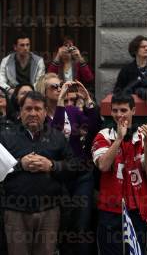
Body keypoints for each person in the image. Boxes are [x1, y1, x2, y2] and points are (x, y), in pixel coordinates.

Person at [0, 91, 80, 255]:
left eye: (37, 109)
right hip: (15, 212)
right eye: (28, 109)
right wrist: (19, 164)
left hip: (49, 211)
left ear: (45, 112)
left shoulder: (57, 137)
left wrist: (52, 165)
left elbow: (74, 167)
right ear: (20, 111)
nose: (33, 113)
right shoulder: (6, 137)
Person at [92, 93, 147, 255]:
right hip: (110, 211)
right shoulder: (104, 135)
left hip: (138, 210)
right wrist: (119, 139)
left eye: (124, 110)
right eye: (115, 110)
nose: (119, 115)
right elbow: (103, 165)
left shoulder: (145, 136)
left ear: (133, 111)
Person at [50, 80, 100, 255]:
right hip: (58, 174)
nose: (59, 89)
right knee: (61, 225)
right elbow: (54, 133)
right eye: (54, 87)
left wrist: (88, 100)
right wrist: (59, 103)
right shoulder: (38, 113)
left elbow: (93, 127)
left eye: (60, 87)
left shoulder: (71, 111)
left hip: (81, 174)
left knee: (82, 224)